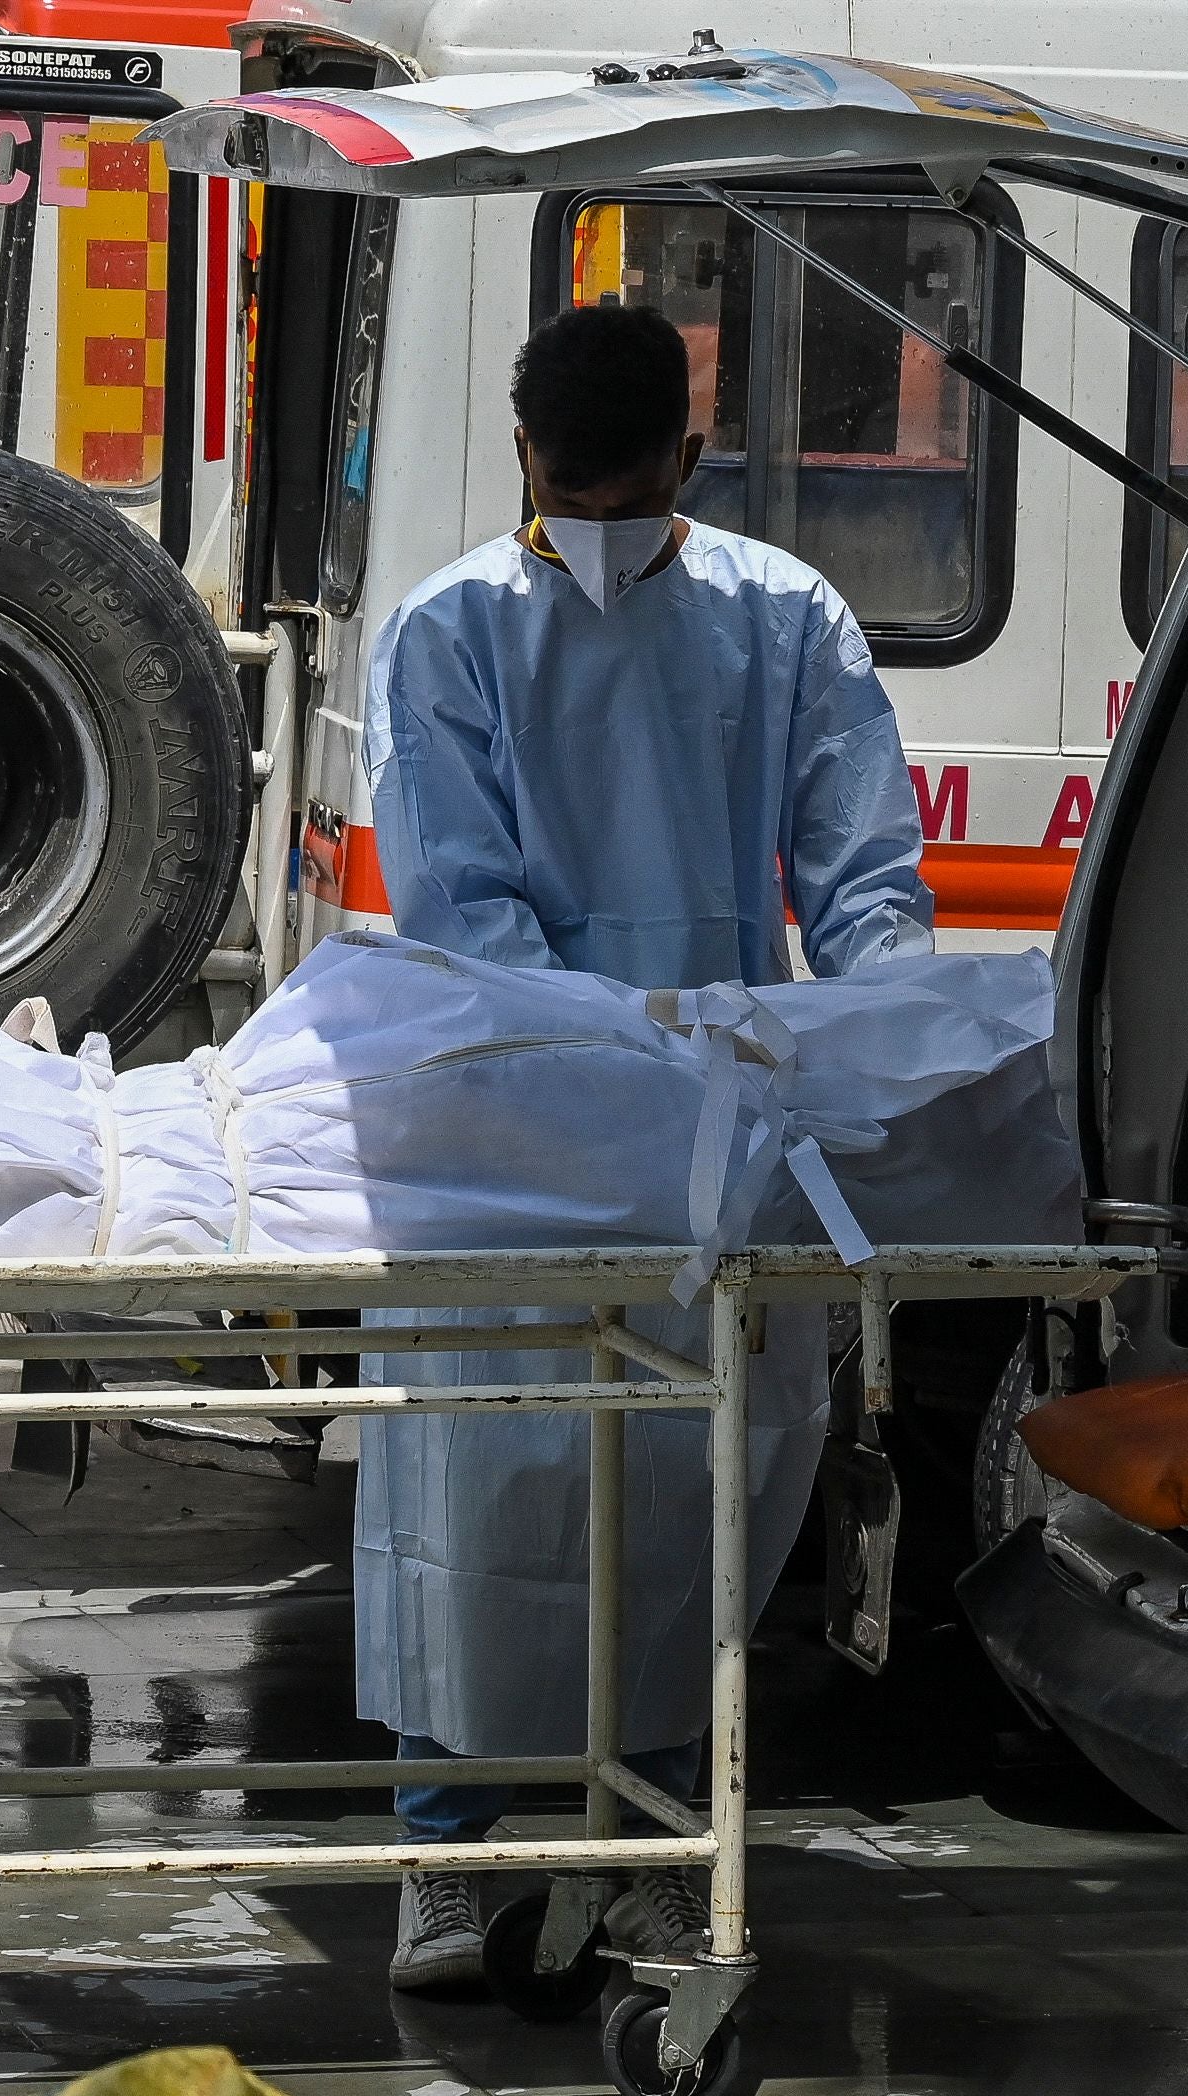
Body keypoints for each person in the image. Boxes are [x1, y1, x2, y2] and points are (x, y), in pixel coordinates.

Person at [358, 302, 933, 1993]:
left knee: (698, 1481)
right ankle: (449, 1843)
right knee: (482, 1467)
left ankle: (656, 1840)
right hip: (512, 1113)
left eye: (625, 487)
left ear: (686, 459)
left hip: (723, 1116)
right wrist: (643, 1036)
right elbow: (457, 901)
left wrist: (889, 1032)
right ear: (532, 460)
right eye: (580, 487)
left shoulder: (781, 621)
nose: (601, 526)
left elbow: (863, 874)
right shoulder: (450, 631)